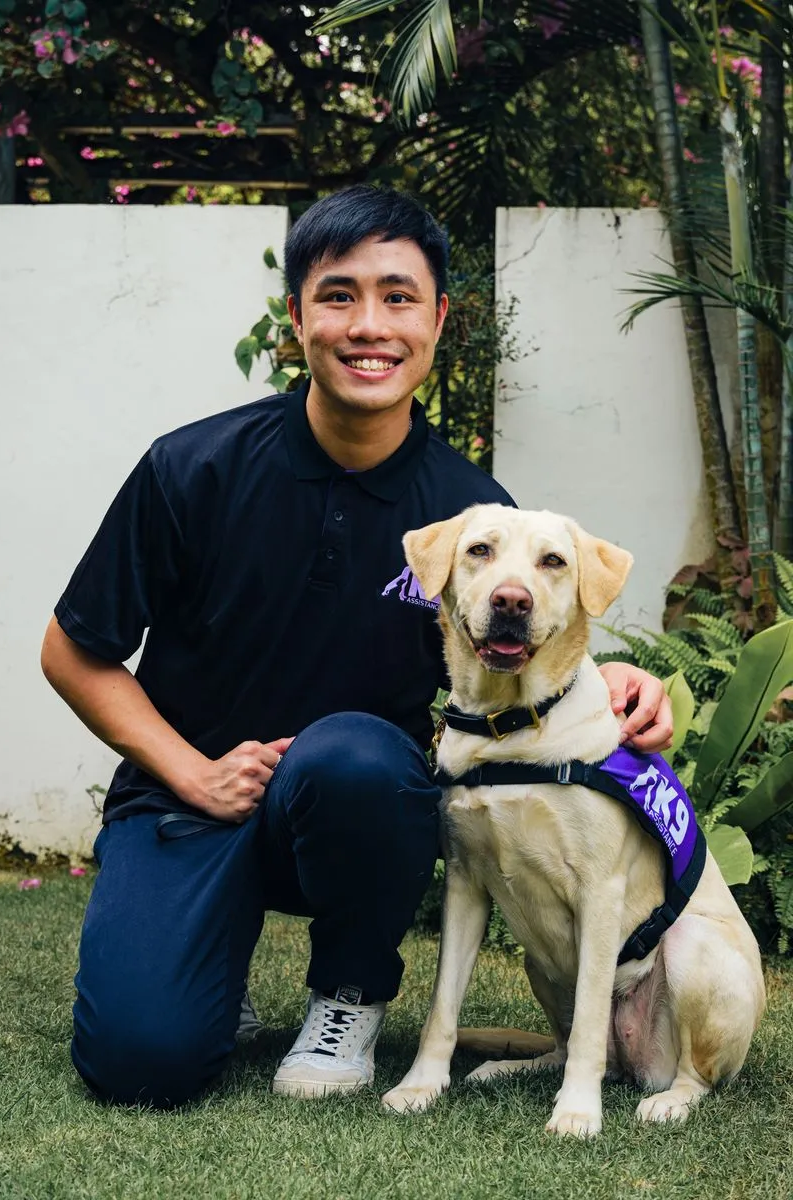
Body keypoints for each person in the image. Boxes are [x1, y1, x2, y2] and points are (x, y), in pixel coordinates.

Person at [41, 185, 673, 1110]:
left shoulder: (469, 514)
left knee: (358, 757)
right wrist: (191, 771)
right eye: (338, 296)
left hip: (352, 811)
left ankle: (349, 996)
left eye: (398, 296)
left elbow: (515, 644)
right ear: (296, 316)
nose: (368, 325)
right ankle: (200, 987)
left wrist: (608, 679)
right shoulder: (192, 468)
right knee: (140, 1062)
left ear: (439, 319)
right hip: (188, 797)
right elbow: (72, 651)